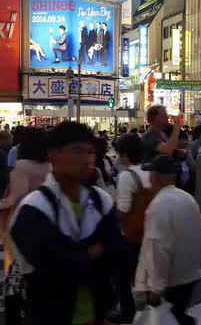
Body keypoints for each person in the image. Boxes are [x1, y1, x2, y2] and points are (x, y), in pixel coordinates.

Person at [9, 121, 122, 325]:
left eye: (90, 152)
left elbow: (117, 257)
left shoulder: (101, 201)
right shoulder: (34, 207)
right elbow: (50, 268)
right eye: (77, 151)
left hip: (96, 316)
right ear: (53, 155)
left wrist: (76, 256)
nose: (87, 159)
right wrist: (92, 253)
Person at [135, 155, 201, 325]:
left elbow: (158, 249)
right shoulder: (187, 198)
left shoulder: (158, 205)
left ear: (155, 176)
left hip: (170, 282)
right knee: (177, 316)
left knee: (167, 319)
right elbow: (200, 237)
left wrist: (156, 288)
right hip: (189, 276)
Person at [0, 127, 51, 324]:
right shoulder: (50, 166)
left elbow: (18, 195)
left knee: (14, 280)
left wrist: (2, 204)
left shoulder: (21, 166)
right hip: (47, 225)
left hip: (23, 226)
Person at [113, 133, 152, 322]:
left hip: (131, 234)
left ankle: (127, 312)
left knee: (123, 276)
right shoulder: (150, 172)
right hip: (150, 231)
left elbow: (123, 209)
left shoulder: (126, 176)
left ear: (125, 154)